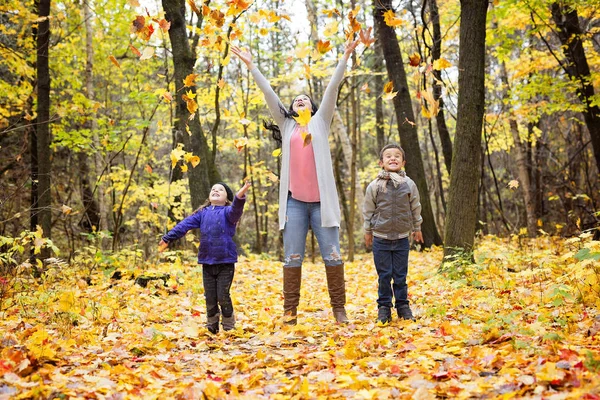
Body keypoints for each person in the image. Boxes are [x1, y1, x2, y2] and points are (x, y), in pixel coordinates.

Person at [231, 40, 358, 325]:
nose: (300, 99)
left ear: (313, 106)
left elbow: (332, 89)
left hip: (322, 205)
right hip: (295, 204)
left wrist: (346, 56)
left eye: (305, 98)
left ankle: (339, 310)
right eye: (295, 98)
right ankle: (290, 312)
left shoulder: (320, 122)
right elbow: (268, 93)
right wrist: (251, 66)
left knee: (333, 256)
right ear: (290, 108)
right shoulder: (287, 125)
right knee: (292, 258)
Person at [159, 181, 252, 333]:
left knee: (222, 295)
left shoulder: (228, 213)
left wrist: (241, 193)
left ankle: (229, 326)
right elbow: (184, 225)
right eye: (213, 189)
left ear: (226, 197)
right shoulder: (202, 213)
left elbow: (237, 207)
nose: (216, 191)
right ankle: (212, 326)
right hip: (207, 262)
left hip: (225, 262)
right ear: (209, 196)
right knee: (210, 296)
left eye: (220, 190)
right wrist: (168, 238)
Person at [363, 144, 423, 323]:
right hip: (381, 238)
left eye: (397, 156)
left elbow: (415, 207)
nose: (393, 158)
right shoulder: (375, 186)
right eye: (388, 156)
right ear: (381, 162)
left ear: (403, 162)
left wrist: (417, 228)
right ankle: (384, 307)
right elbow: (368, 210)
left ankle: (403, 306)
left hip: (402, 238)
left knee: (400, 275)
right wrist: (367, 231)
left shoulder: (409, 184)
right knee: (384, 275)